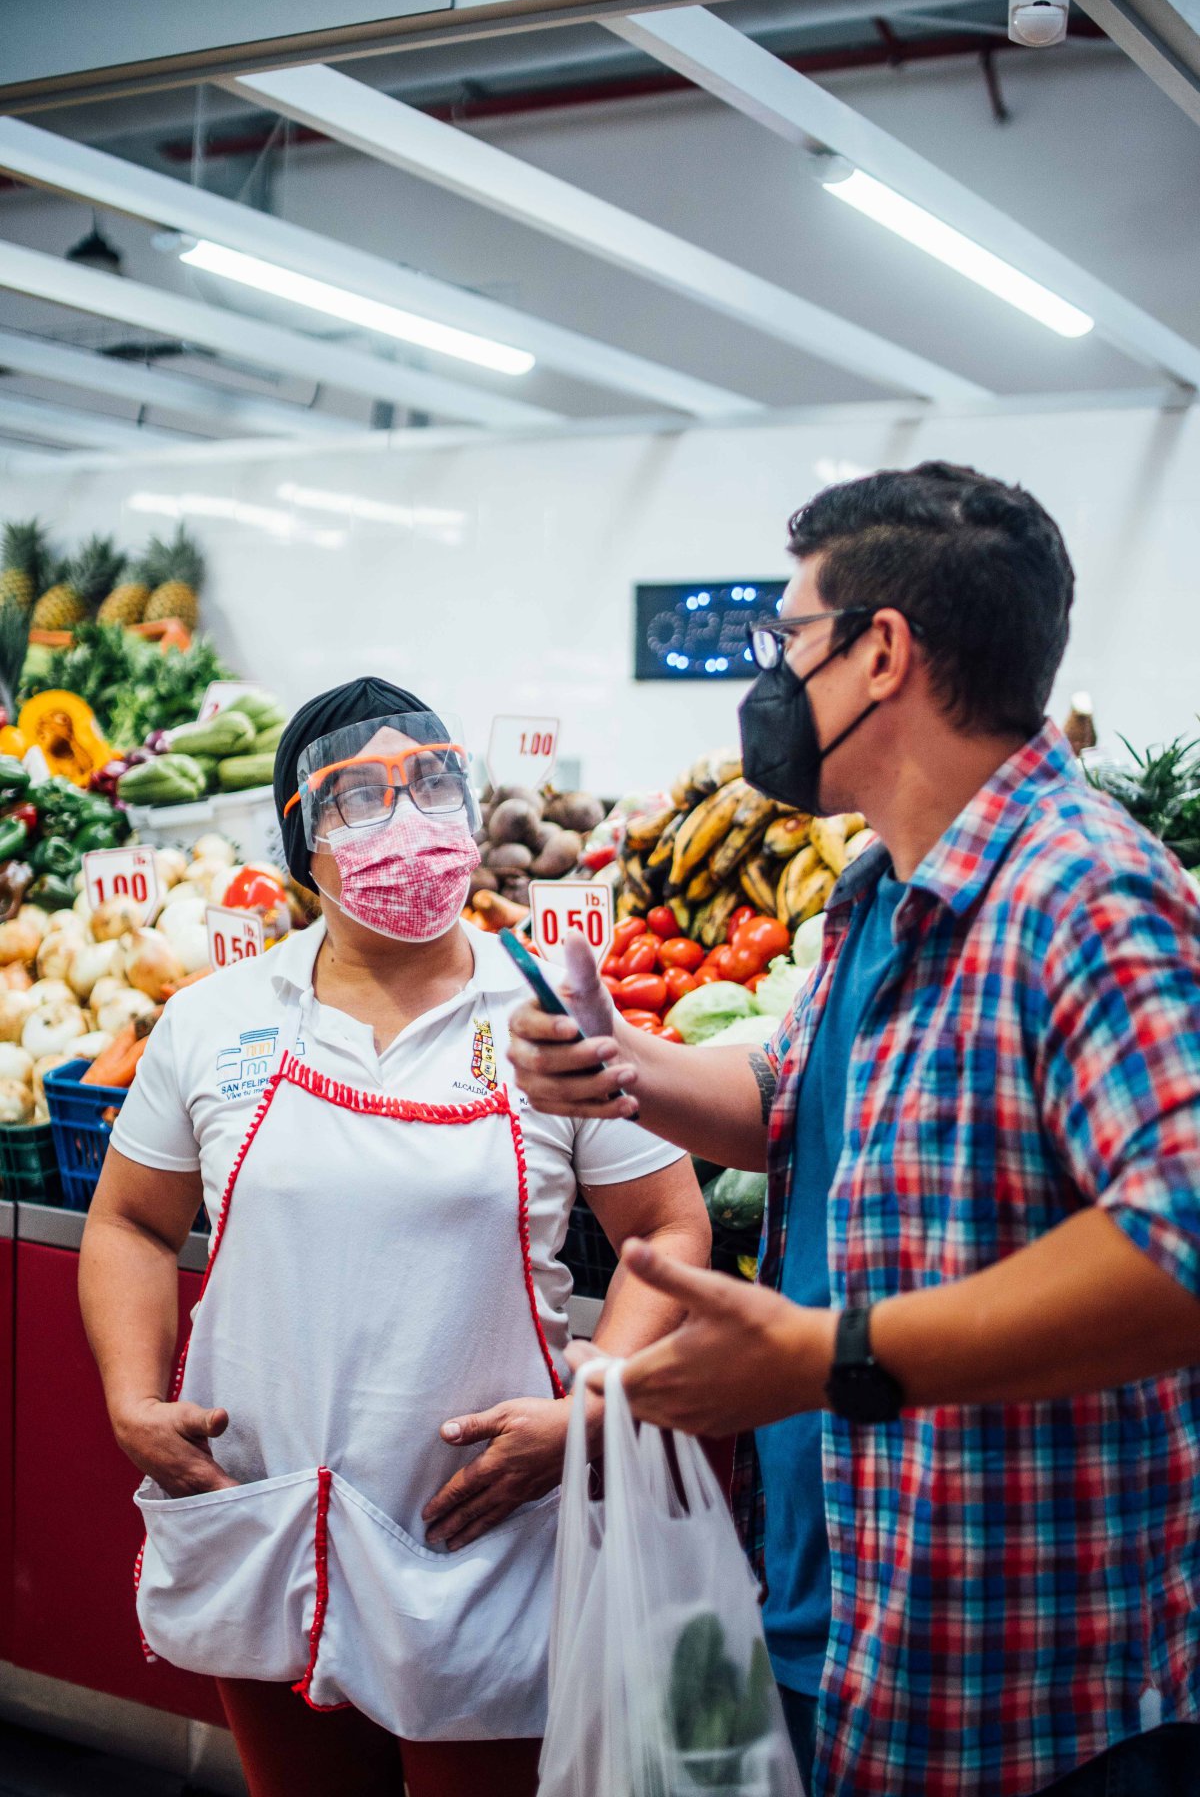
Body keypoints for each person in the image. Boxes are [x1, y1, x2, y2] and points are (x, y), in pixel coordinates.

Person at [509, 463, 1200, 1797]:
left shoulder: (1088, 896)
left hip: (1030, 1691)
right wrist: (623, 1068)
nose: (769, 681)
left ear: (882, 652)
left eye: (788, 642)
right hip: (849, 1615)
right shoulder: (882, 884)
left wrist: (839, 1358)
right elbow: (797, 1097)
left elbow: (1181, 1243)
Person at [79, 677, 709, 1797]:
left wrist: (585, 1413)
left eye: (430, 783)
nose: (408, 820)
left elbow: (669, 1224)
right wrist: (131, 1398)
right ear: (297, 851)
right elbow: (130, 1219)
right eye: (357, 799)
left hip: (485, 1524)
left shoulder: (553, 1014)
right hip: (267, 1509)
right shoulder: (213, 1021)